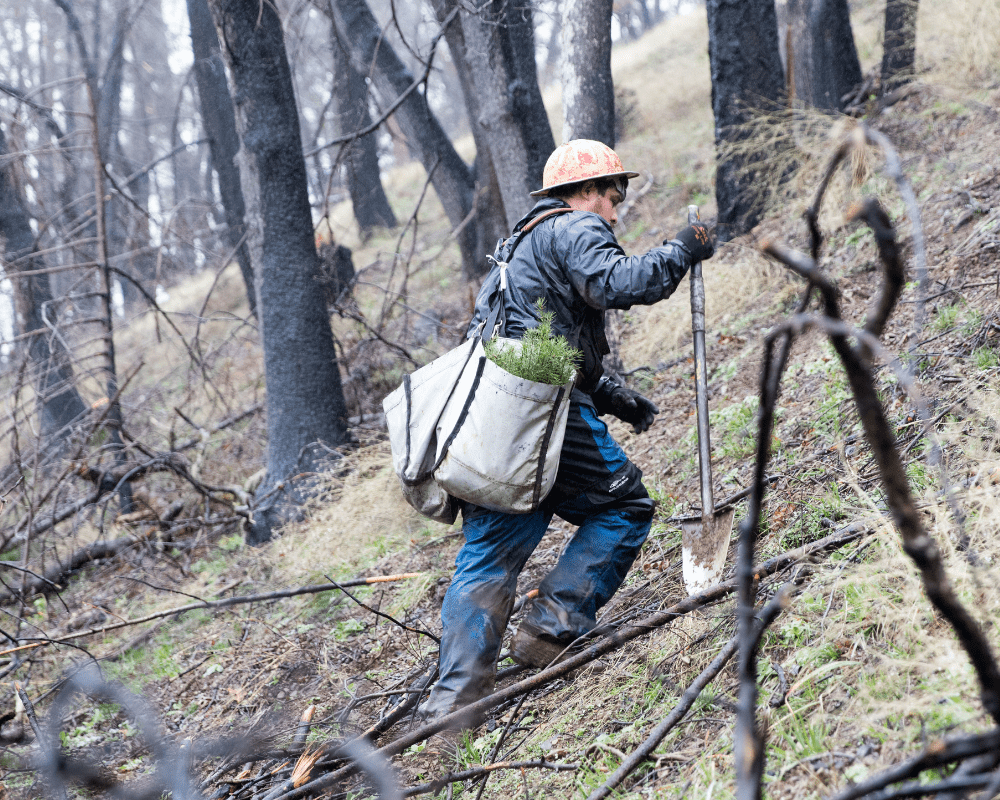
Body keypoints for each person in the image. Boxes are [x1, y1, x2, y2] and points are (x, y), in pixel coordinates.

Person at [419, 139, 715, 727]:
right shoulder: (574, 227)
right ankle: (551, 628)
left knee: (488, 558)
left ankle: (451, 715)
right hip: (540, 413)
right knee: (624, 505)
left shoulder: (516, 249)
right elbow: (619, 283)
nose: (615, 209)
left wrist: (611, 396)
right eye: (612, 195)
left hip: (492, 425)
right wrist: (683, 248)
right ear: (585, 193)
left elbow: (534, 340)